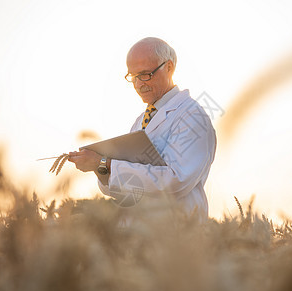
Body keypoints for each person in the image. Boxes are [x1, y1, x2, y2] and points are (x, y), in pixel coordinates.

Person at [68, 37, 216, 220]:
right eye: (133, 76)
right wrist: (100, 168)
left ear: (169, 68)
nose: (139, 84)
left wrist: (105, 164)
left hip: (177, 234)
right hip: (139, 233)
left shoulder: (193, 116)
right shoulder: (141, 120)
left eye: (145, 74)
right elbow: (126, 189)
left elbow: (176, 181)